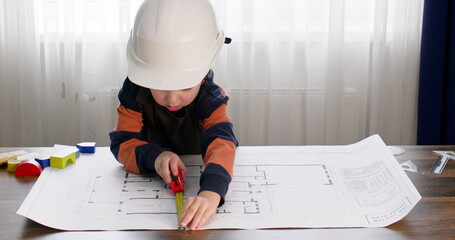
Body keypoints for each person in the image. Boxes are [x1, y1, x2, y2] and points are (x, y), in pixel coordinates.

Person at [109, 0, 237, 230]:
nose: (172, 99)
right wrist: (155, 157)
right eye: (159, 86)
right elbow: (122, 144)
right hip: (149, 172)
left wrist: (210, 193)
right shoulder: (134, 91)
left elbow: (222, 145)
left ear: (202, 72)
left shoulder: (210, 97)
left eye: (185, 87)